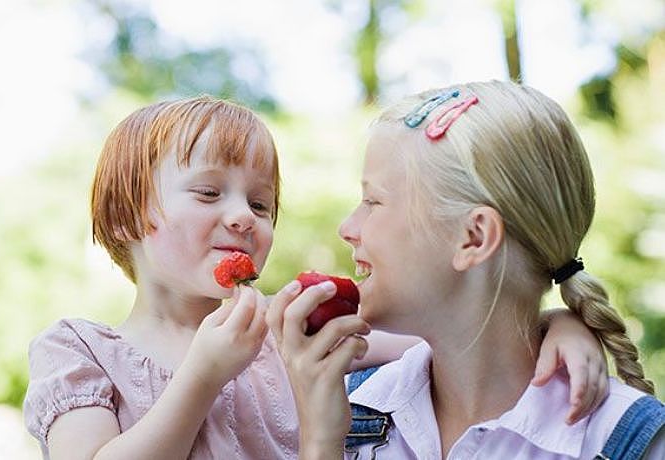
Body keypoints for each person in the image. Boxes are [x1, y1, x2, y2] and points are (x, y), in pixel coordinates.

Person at [23, 95, 610, 460]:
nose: (241, 217)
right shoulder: (79, 352)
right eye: (208, 193)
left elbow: (462, 333)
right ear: (128, 214)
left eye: (260, 205)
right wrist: (204, 375)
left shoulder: (290, 327)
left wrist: (554, 323)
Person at [267, 81, 664, 459]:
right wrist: (320, 443)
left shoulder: (628, 442)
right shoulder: (341, 409)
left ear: (473, 238)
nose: (347, 229)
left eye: (373, 201)